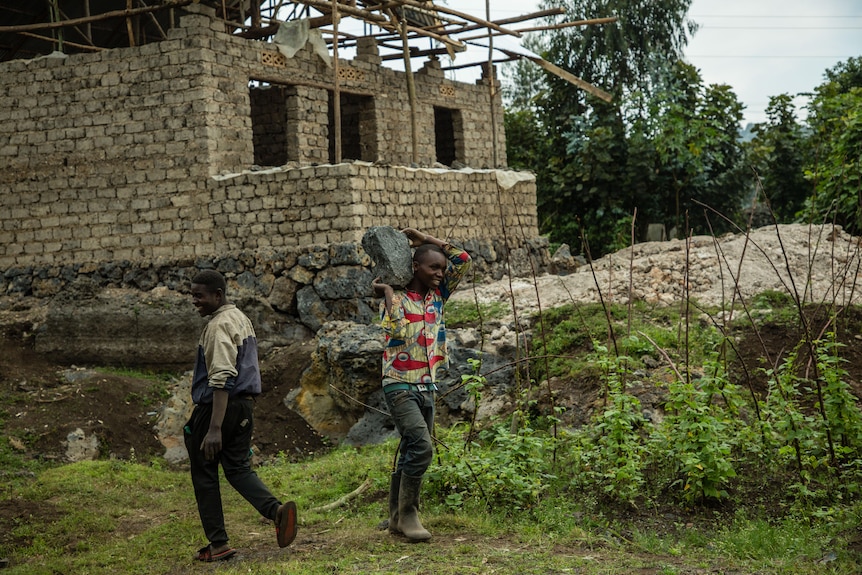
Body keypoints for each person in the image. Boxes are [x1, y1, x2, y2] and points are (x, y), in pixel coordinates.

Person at [185, 270, 297, 562]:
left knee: (205, 474)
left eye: (199, 295)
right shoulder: (240, 318)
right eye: (192, 294)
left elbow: (222, 376)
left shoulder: (218, 326)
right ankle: (276, 511)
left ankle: (218, 544)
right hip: (244, 406)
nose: (194, 300)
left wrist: (214, 428)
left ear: (218, 295)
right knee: (237, 468)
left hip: (218, 407)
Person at [371, 228, 472, 542]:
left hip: (428, 385)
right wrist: (388, 293)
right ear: (416, 267)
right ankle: (410, 513)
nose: (441, 273)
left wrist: (426, 239)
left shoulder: (438, 297)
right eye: (433, 267)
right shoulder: (397, 298)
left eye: (442, 268)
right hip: (399, 384)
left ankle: (395, 518)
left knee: (410, 451)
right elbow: (395, 333)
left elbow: (464, 260)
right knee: (422, 447)